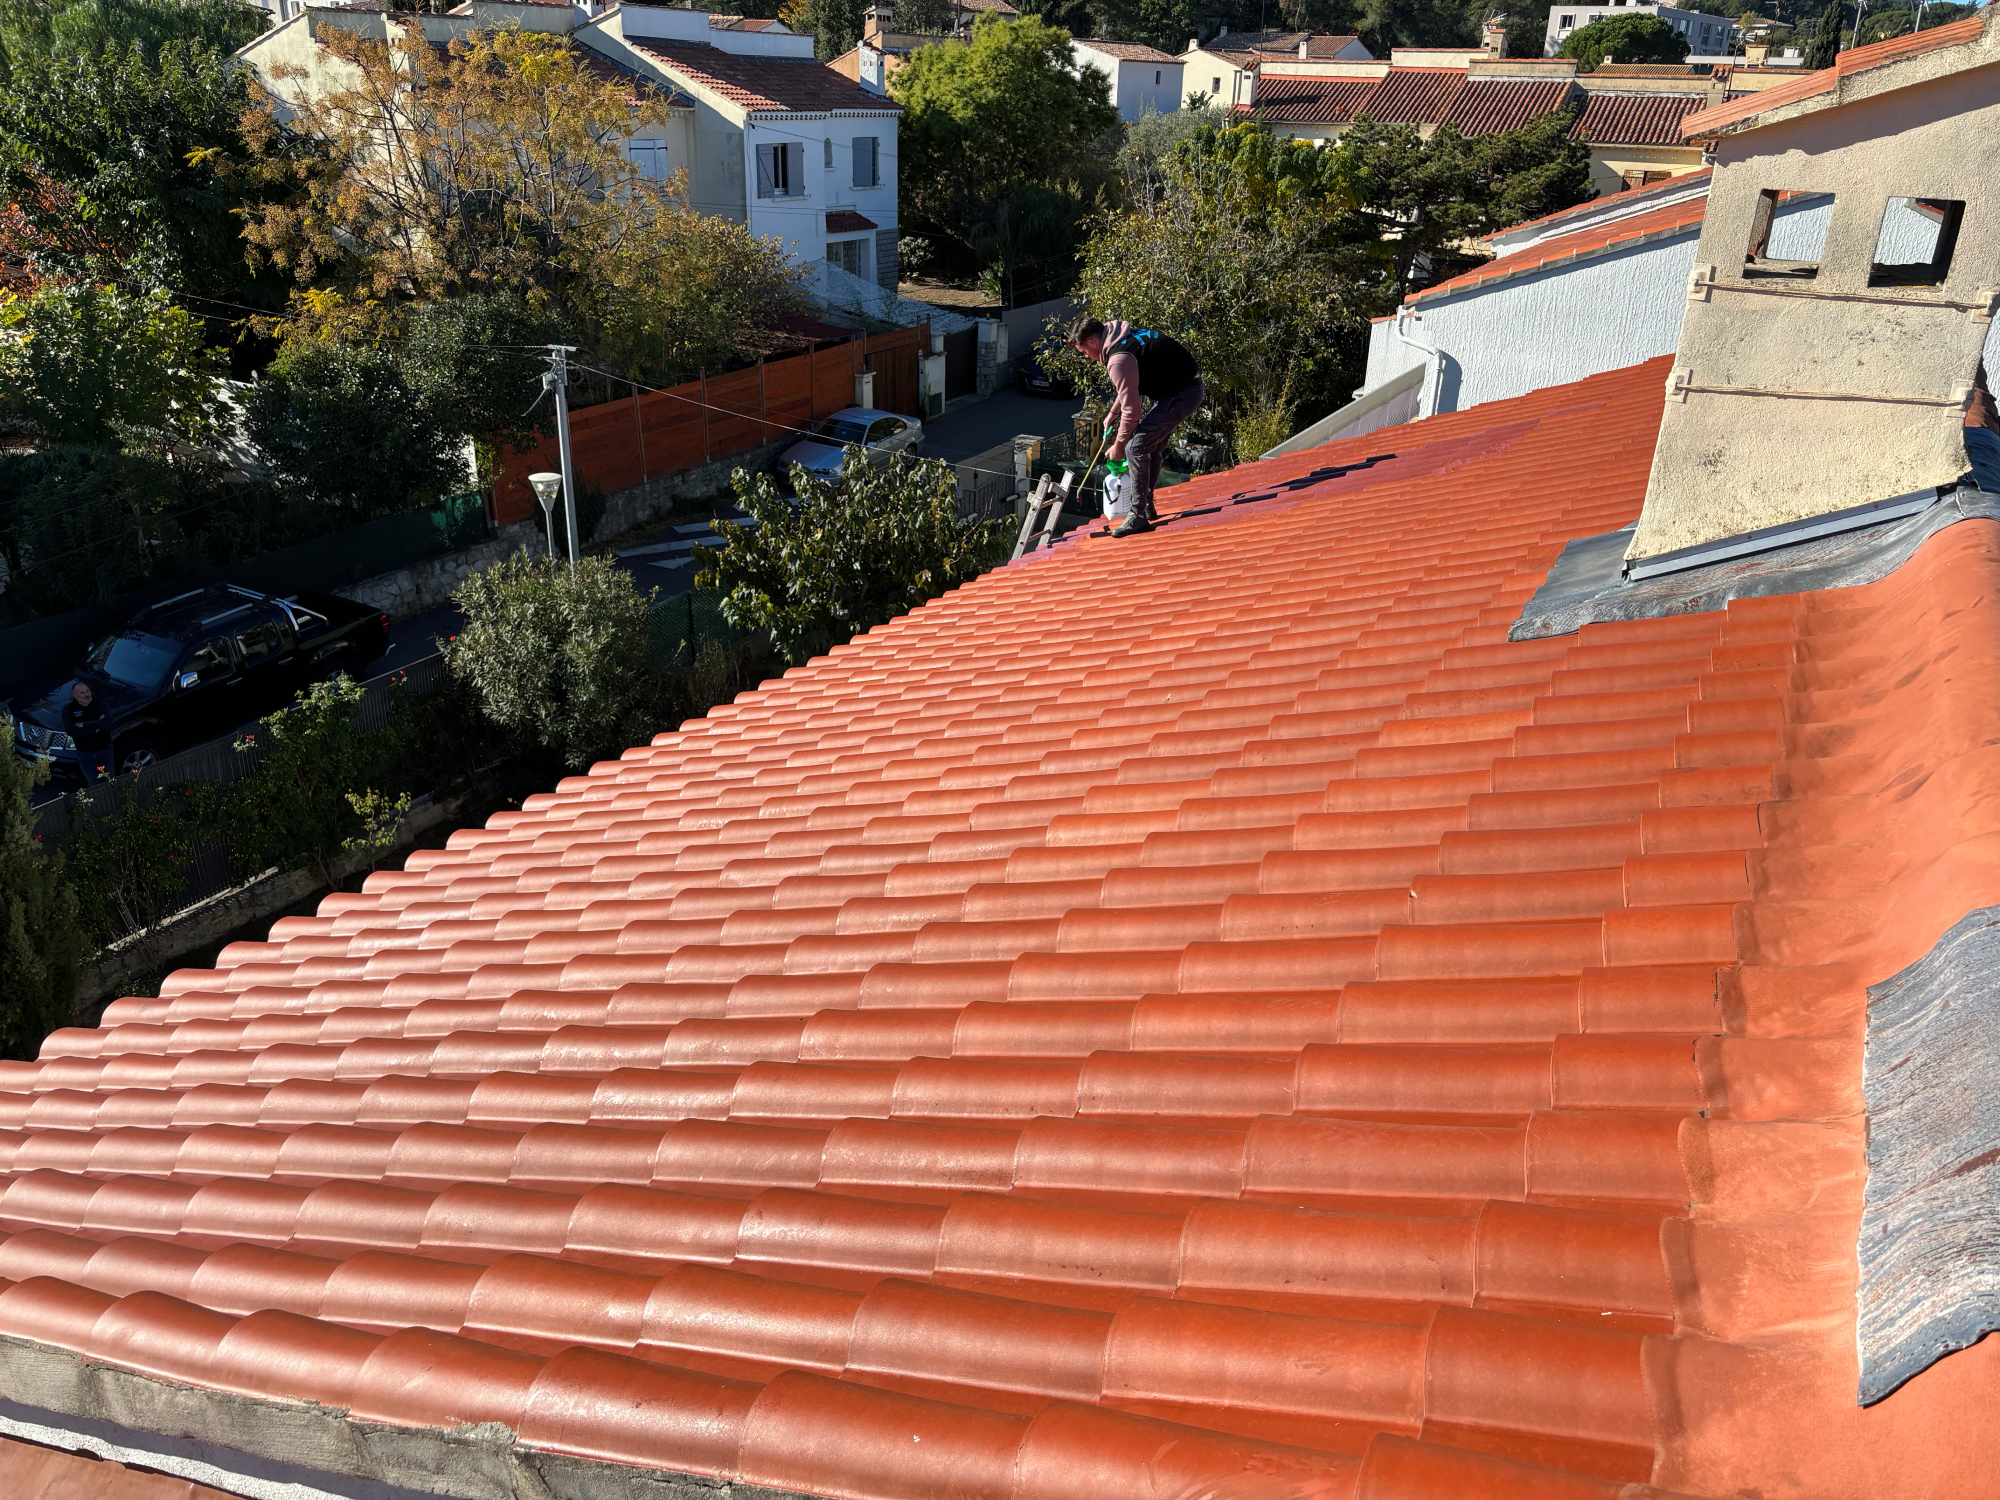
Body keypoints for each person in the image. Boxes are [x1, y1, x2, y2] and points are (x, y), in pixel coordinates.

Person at [1066, 316, 1204, 537]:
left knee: (1135, 448)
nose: (1087, 357)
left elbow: (1133, 411)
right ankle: (1146, 505)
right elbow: (1130, 385)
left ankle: (1137, 516)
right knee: (1151, 447)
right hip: (1183, 390)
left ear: (1092, 343)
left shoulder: (1118, 359)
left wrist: (1119, 445)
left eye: (1084, 352)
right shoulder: (1121, 336)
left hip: (1183, 394)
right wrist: (1113, 412)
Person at [63, 680, 110, 785]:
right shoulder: (69, 709)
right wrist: (97, 726)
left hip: (105, 749)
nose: (87, 694)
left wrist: (83, 724)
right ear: (75, 695)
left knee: (110, 779)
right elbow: (71, 730)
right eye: (82, 693)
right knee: (93, 782)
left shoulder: (100, 704)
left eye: (88, 691)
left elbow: (107, 723)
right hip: (85, 753)